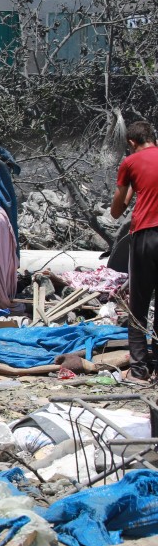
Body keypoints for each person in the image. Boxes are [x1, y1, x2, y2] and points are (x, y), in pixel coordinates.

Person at [111, 120, 158, 383]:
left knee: (138, 304)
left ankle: (139, 370)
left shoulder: (130, 163)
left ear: (131, 142)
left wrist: (130, 183)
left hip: (146, 234)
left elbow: (117, 210)